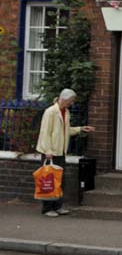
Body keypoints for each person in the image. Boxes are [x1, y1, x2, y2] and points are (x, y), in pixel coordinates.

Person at [35, 88, 95, 217]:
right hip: (51, 151)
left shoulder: (65, 112)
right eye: (71, 100)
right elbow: (45, 132)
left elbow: (65, 130)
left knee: (60, 180)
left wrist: (80, 129)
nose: (72, 103)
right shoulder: (50, 112)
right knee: (49, 180)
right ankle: (47, 208)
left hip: (60, 151)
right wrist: (48, 150)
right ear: (64, 99)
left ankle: (58, 206)